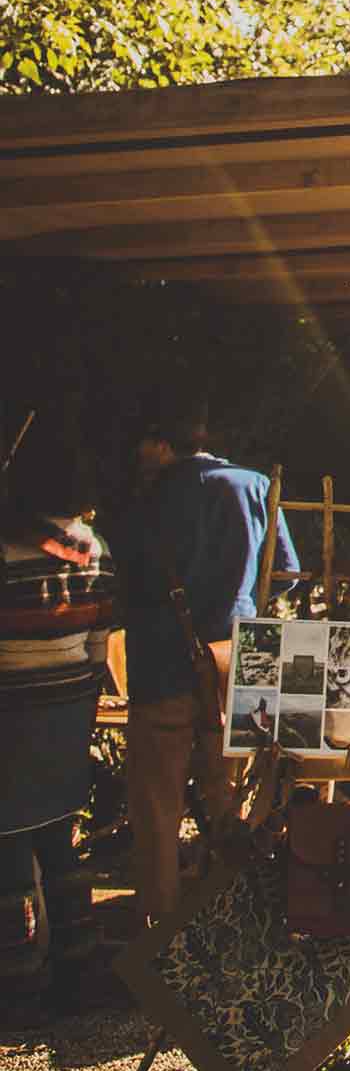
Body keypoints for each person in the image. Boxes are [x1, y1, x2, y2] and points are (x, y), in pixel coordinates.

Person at [109, 390, 298, 920]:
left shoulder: (141, 504)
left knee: (156, 805)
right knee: (231, 801)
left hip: (161, 668)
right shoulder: (255, 486)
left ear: (160, 444)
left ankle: (162, 928)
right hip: (241, 665)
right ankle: (227, 921)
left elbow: (122, 587)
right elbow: (285, 575)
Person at [0, 425, 116, 1010]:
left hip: (13, 712)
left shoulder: (5, 546)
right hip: (69, 709)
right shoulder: (92, 547)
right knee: (57, 836)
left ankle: (20, 980)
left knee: (8, 847)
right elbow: (100, 641)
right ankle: (80, 959)